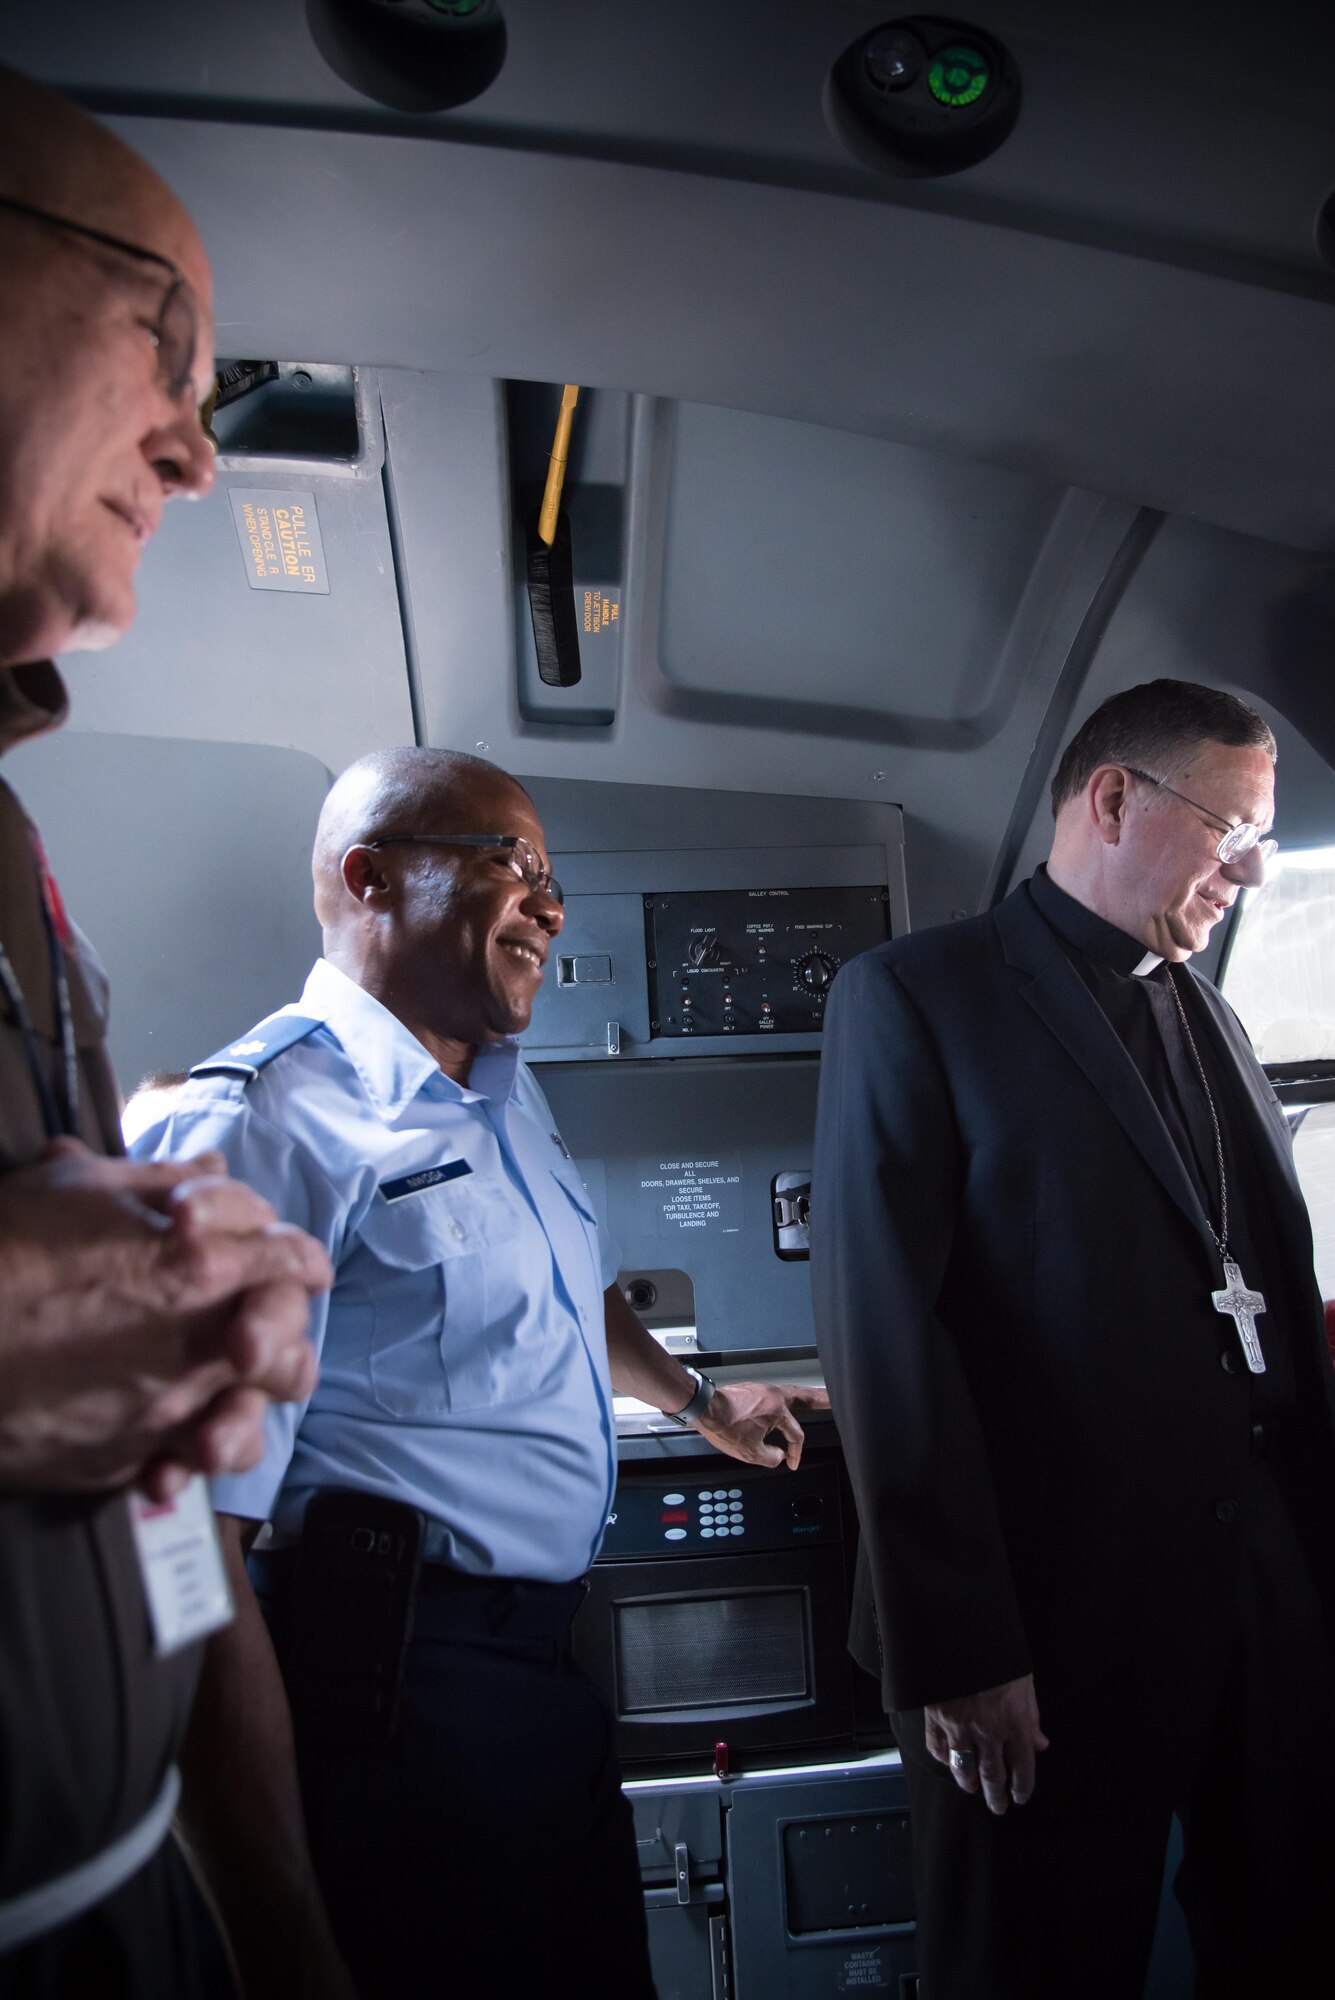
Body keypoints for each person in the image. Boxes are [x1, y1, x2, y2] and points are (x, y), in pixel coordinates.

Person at [133, 745, 830, 2000]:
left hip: (537, 1690)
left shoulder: (503, 1096)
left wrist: (700, 1403)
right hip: (390, 1697)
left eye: (551, 873)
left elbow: (571, 1293)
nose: (551, 905)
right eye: (511, 862)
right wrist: (273, 1920)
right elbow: (185, 1560)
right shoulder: (265, 1120)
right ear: (371, 876)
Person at [812, 679, 1335, 1998]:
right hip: (1038, 1617)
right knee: (1032, 1967)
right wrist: (961, 1647)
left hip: (1255, 1598)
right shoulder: (915, 997)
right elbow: (883, 1330)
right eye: (1230, 830)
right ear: (1112, 797)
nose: (1251, 870)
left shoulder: (1206, 1011)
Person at [0, 65, 333, 1996]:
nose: (199, 457)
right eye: (167, 345)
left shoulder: (23, 871)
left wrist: (274, 1924)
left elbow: (172, 1519)